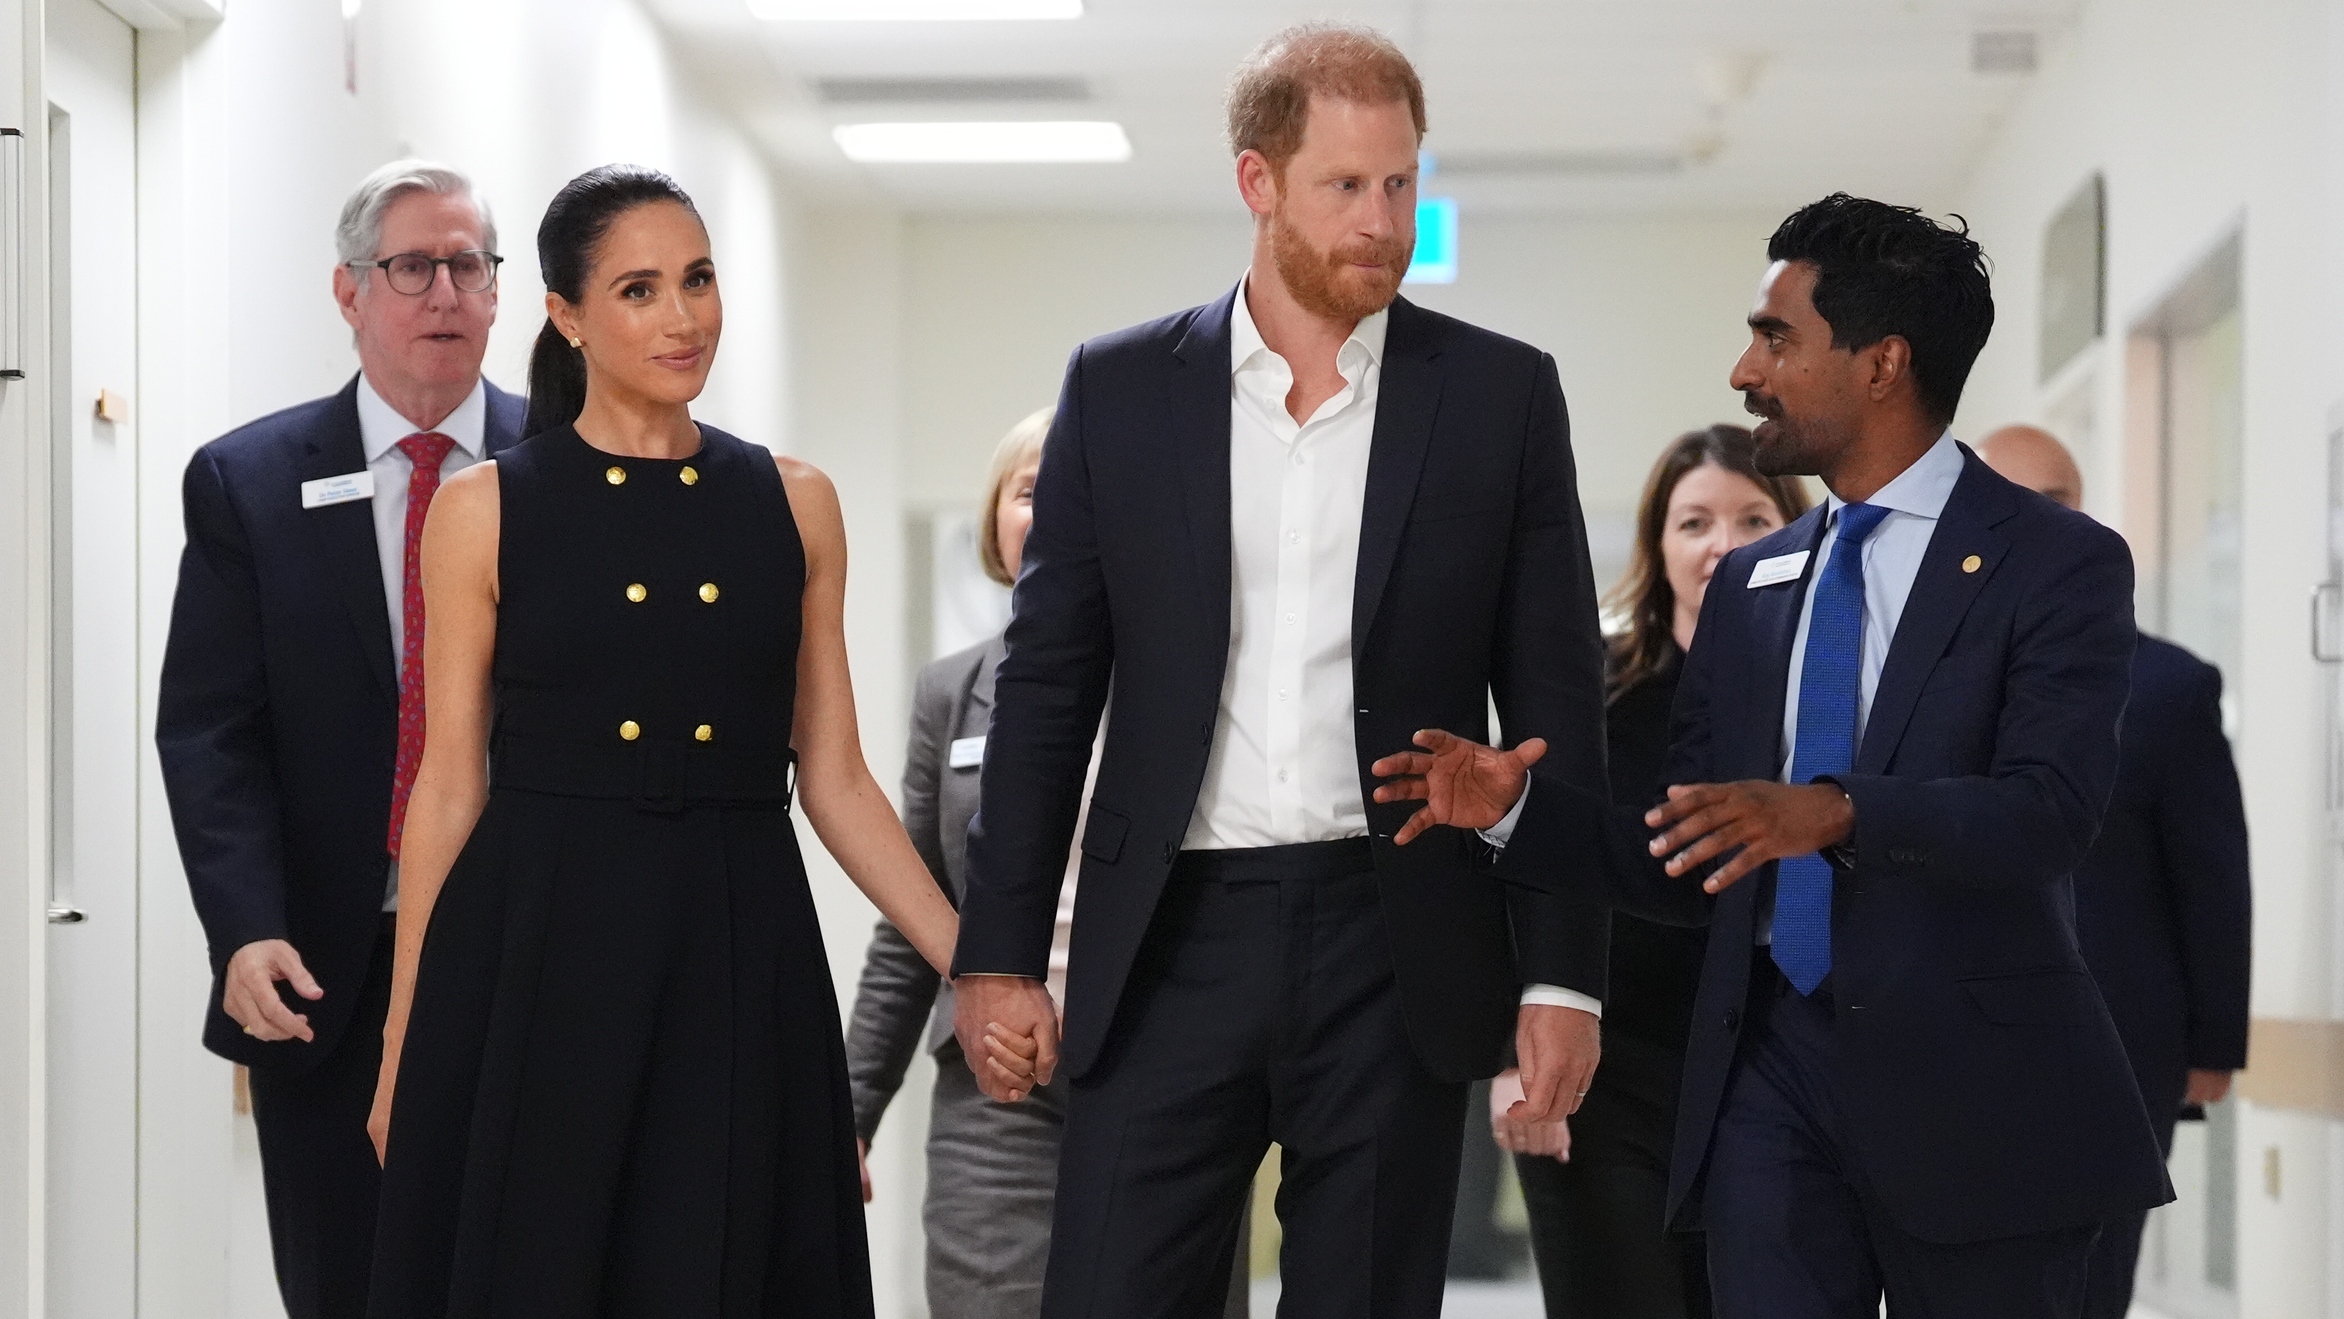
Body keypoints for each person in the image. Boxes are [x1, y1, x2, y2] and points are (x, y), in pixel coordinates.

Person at [1373, 194, 2173, 1317]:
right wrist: (1517, 812)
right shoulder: (1753, 587)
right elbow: (1690, 849)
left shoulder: (2057, 563)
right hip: (1768, 1084)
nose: (1745, 369)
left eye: (1776, 336)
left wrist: (1833, 812)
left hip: (1979, 1096)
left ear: (1882, 361)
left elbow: (2048, 811)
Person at [950, 24, 1612, 1318]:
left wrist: (1562, 969)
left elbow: (1556, 706)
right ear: (1259, 183)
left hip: (1398, 933)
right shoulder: (1125, 386)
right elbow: (1048, 684)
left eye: (1402, 185)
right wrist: (999, 951)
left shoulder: (1498, 397)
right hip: (1169, 935)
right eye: (1346, 187)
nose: (1384, 222)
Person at [361, 165, 963, 1319]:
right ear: (568, 315)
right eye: (639, 289)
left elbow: (833, 777)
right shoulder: (485, 508)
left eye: (697, 279)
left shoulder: (795, 501)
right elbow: (445, 790)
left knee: (719, 1260)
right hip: (540, 946)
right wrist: (404, 1035)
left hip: (734, 945)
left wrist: (973, 963)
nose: (682, 317)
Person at [154, 160, 523, 1319]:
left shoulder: (568, 464)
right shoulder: (248, 481)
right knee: (347, 1286)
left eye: (468, 265)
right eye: (410, 267)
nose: (444, 293)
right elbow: (213, 728)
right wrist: (245, 924)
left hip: (528, 951)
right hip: (327, 967)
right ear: (348, 291)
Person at [842, 411, 1251, 1319]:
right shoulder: (952, 693)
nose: (1055, 507)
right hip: (998, 1084)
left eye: (1084, 487)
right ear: (994, 521)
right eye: (1031, 489)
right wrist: (853, 1106)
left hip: (1169, 1074)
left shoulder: (1202, 681)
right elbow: (914, 917)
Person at [1501, 425, 1807, 1319]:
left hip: (1770, 1069)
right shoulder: (1593, 691)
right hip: (1606, 1066)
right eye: (1695, 523)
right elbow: (1530, 872)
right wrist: (1510, 1063)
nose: (1723, 546)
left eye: (1754, 519)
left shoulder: (1828, 694)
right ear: (1658, 545)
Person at [1977, 423, 2252, 1319]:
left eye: (2050, 502)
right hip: (1951, 1038)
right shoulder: (1919, 672)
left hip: (2118, 1045)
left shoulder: (2169, 687)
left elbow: (2211, 876)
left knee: (2089, 1286)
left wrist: (2215, 1044)